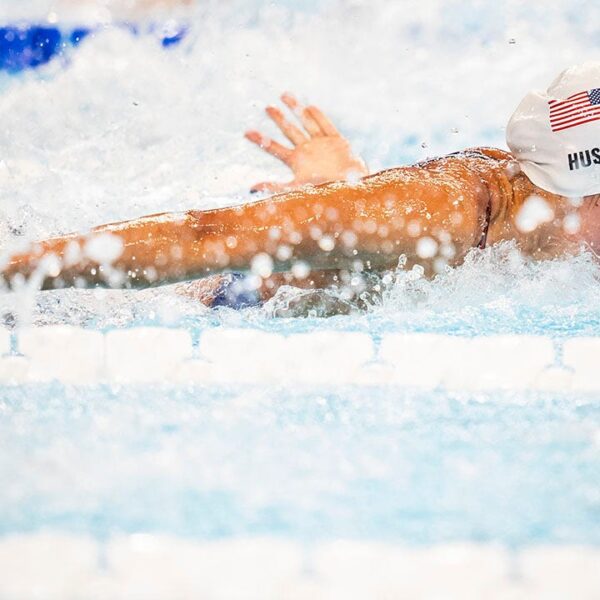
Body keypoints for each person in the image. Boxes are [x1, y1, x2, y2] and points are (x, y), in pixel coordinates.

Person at [1, 63, 599, 313]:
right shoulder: (441, 211)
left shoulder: (543, 212)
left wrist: (343, 197)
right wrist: (15, 268)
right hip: (218, 301)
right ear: (580, 190)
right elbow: (212, 233)